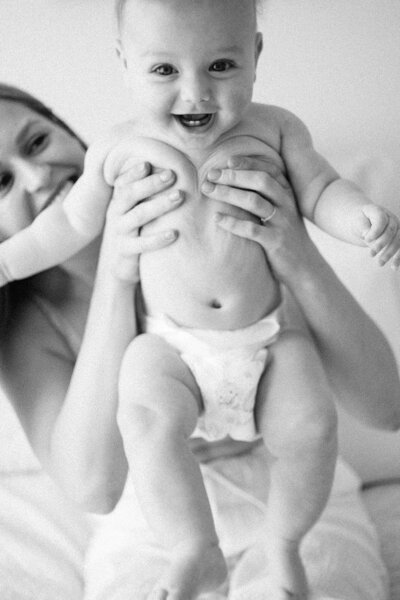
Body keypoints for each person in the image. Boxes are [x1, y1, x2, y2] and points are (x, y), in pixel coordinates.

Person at [1, 1, 400, 597]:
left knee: (310, 422)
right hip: (156, 507)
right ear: (127, 64)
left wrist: (343, 228)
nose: (195, 93)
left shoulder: (273, 136)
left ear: (254, 58)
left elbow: (323, 189)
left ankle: (282, 547)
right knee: (143, 391)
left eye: (219, 64)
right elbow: (93, 489)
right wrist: (67, 269)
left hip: (277, 416)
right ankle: (196, 548)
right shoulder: (118, 157)